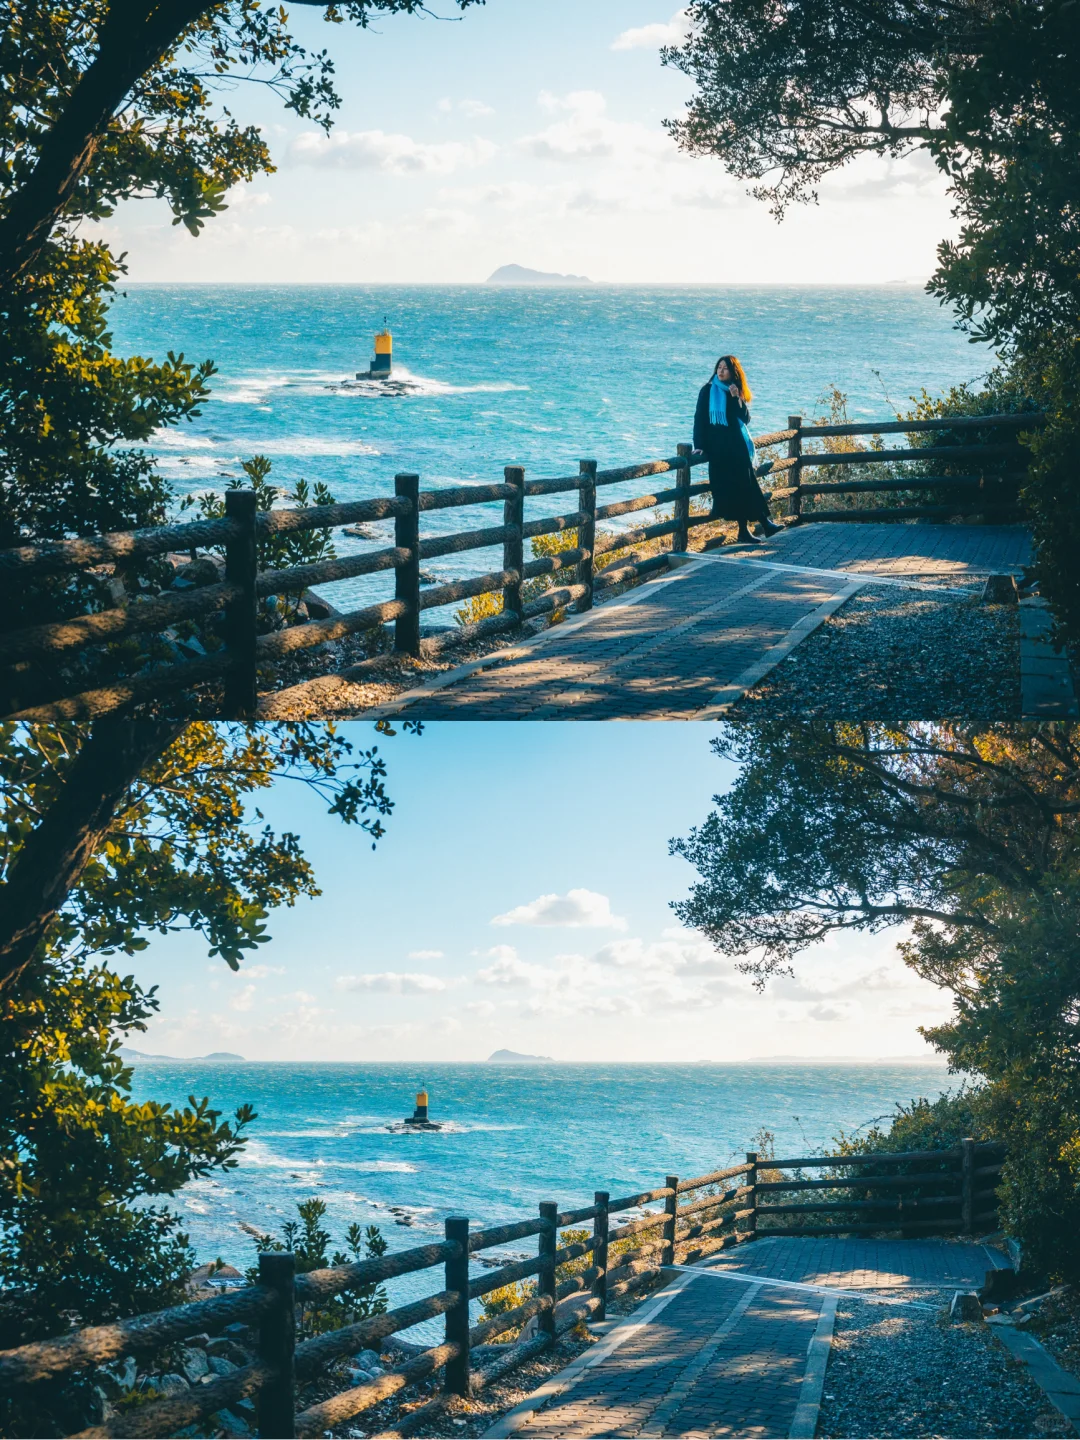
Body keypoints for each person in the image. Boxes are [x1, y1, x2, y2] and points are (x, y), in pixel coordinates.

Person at [692, 356, 781, 543]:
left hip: (736, 446)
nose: (721, 371)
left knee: (747, 485)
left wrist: (736, 398)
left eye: (725, 368)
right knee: (735, 488)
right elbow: (699, 419)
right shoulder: (708, 390)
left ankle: (760, 525)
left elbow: (745, 418)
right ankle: (754, 528)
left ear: (733, 372)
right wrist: (698, 446)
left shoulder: (735, 391)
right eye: (719, 367)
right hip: (718, 449)